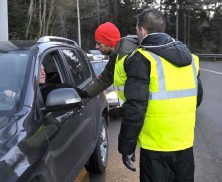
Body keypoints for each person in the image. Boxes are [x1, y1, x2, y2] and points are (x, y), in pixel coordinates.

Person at [117, 8, 203, 182]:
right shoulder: (190, 59)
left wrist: (127, 146)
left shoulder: (142, 59)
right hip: (184, 144)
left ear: (142, 30)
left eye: (136, 29)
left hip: (155, 147)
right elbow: (197, 98)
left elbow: (135, 108)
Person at [77, 22, 139, 119]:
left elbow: (140, 91)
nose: (96, 47)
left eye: (99, 43)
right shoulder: (116, 56)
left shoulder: (128, 57)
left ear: (108, 41)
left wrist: (123, 111)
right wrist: (86, 93)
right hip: (133, 113)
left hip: (142, 115)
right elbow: (106, 77)